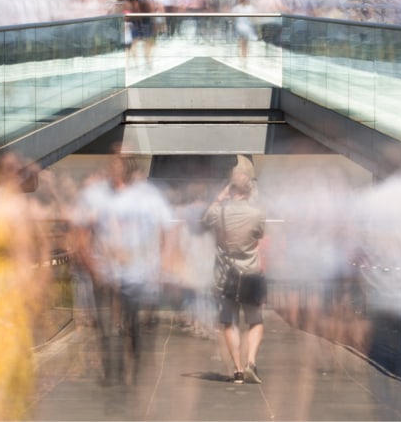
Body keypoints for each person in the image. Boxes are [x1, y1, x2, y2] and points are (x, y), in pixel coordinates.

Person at [69, 147, 176, 388]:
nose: (114, 170)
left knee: (134, 324)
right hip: (105, 273)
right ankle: (113, 372)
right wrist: (92, 264)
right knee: (106, 328)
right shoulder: (97, 195)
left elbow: (166, 229)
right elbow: (82, 231)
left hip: (138, 274)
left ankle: (133, 369)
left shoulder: (148, 196)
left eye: (120, 165)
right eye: (113, 164)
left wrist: (162, 264)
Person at [202, 155, 268, 384]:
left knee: (229, 321)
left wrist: (219, 198)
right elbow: (260, 234)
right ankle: (251, 361)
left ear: (231, 190)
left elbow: (204, 221)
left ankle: (238, 370)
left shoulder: (218, 212)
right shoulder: (257, 213)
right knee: (255, 320)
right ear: (249, 191)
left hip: (226, 274)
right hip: (250, 272)